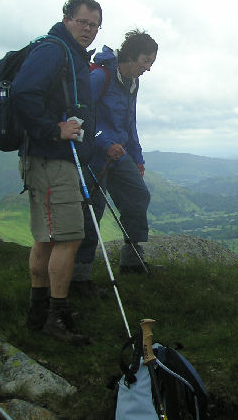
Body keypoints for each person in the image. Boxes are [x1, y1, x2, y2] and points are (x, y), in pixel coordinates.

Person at [11, 0, 102, 343]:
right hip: (53, 158)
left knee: (46, 238)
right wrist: (55, 129)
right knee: (69, 237)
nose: (88, 30)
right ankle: (57, 317)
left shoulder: (68, 54)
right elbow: (22, 93)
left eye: (94, 25)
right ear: (66, 19)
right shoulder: (54, 51)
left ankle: (38, 312)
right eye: (82, 22)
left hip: (48, 158)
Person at [71, 29, 158, 293]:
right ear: (131, 55)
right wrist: (105, 143)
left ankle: (131, 261)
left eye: (151, 63)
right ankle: (79, 277)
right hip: (95, 156)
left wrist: (138, 157)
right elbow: (82, 116)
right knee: (92, 211)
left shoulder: (132, 82)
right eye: (145, 61)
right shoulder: (100, 76)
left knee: (138, 195)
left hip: (120, 154)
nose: (147, 68)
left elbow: (129, 122)